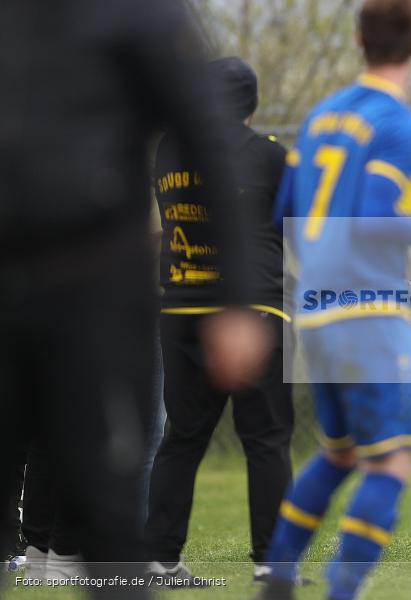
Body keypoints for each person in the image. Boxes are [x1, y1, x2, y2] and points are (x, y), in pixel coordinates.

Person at [0, 0, 266, 595]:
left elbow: (204, 139)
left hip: (95, 286)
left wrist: (235, 301)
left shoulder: (139, 13)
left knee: (108, 507)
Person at [260, 1, 411, 598]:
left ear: (359, 41)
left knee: (338, 455)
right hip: (368, 313)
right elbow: (370, 220)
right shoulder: (398, 123)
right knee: (390, 462)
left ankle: (276, 579)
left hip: (315, 310)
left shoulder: (321, 116)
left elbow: (284, 214)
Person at [145, 57, 295, 585]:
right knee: (266, 438)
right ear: (251, 105)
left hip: (182, 308)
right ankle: (273, 561)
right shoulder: (268, 155)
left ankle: (160, 558)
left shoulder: (169, 151)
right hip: (252, 310)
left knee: (182, 437)